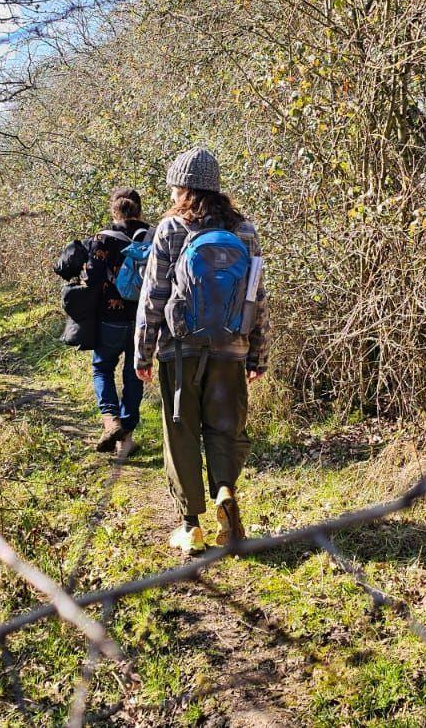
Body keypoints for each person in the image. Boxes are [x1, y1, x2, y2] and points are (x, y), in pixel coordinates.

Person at [135, 148, 268, 554]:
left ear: (184, 187)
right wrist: (256, 354)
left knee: (182, 432)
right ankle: (225, 491)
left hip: (180, 348)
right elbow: (256, 297)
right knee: (226, 428)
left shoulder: (173, 228)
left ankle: (190, 524)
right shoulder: (246, 231)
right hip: (231, 347)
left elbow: (154, 293)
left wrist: (143, 351)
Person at [61, 188, 150, 454]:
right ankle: (127, 438)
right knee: (135, 375)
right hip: (143, 321)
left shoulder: (101, 239)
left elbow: (92, 280)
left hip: (110, 320)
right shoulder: (154, 236)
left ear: (113, 209)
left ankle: (110, 420)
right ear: (139, 209)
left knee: (102, 368)